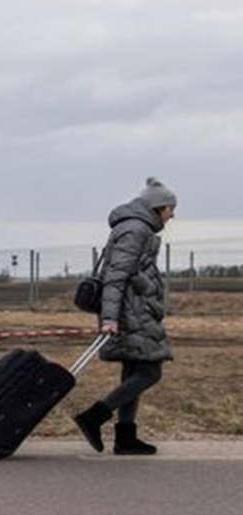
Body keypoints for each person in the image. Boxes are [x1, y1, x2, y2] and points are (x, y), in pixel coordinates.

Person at [73, 178, 177, 456]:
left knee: (135, 370)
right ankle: (94, 416)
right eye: (170, 208)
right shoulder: (135, 230)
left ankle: (126, 437)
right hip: (131, 314)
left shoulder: (136, 228)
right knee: (150, 372)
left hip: (135, 311)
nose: (173, 214)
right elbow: (115, 277)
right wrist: (109, 318)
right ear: (158, 207)